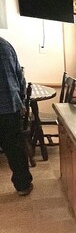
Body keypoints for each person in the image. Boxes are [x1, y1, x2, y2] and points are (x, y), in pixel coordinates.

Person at [0, 36, 33, 195]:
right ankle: (23, 185)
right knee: (15, 149)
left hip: (7, 108)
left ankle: (23, 184)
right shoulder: (4, 46)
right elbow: (16, 78)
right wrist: (22, 101)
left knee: (14, 149)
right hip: (8, 109)